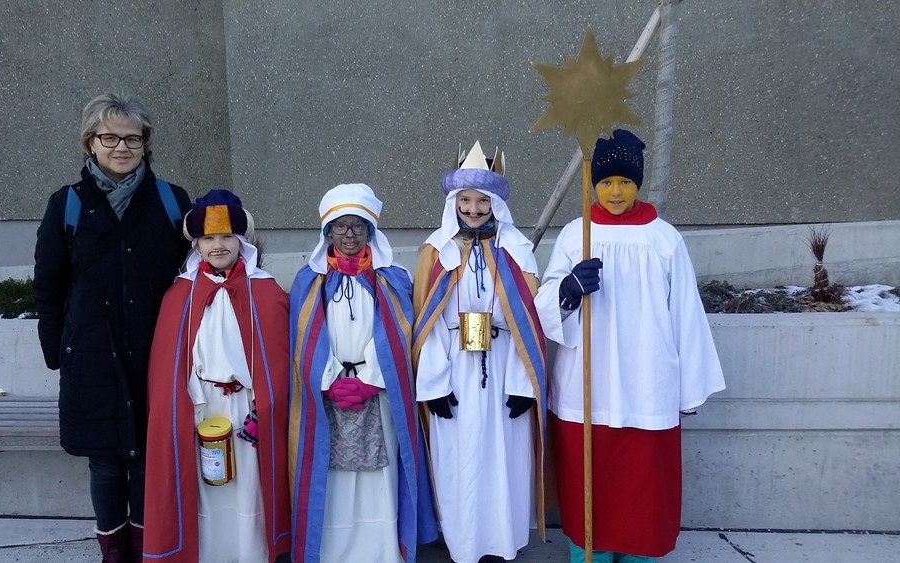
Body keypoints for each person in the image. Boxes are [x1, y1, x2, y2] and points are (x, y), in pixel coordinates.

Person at [535, 129, 727, 562]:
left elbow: (685, 312)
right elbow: (545, 302)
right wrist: (568, 289)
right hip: (586, 384)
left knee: (642, 489)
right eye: (606, 182)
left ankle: (638, 554)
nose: (616, 192)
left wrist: (688, 388)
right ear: (593, 184)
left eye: (625, 181)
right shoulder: (576, 235)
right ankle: (591, 554)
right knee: (589, 482)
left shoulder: (663, 238)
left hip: (647, 380)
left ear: (638, 182)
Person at [34, 93, 191, 562]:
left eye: (132, 139)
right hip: (92, 356)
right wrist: (58, 352)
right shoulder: (67, 204)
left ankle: (146, 549)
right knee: (105, 463)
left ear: (145, 144)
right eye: (110, 137)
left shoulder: (171, 201)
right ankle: (114, 552)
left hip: (155, 354)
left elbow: (194, 274)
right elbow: (48, 283)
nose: (122, 147)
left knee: (147, 458)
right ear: (91, 142)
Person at [412, 142, 547, 563]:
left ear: (496, 204)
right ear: (454, 202)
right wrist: (433, 383)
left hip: (505, 365)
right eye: (466, 201)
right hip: (454, 368)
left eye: (483, 201)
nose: (473, 209)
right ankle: (464, 544)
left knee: (504, 458)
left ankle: (502, 542)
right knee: (461, 459)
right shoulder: (436, 251)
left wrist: (524, 383)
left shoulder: (517, 250)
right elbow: (427, 320)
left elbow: (530, 320)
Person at [288, 183, 437, 563]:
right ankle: (334, 552)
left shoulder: (392, 278)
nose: (350, 235)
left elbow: (399, 334)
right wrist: (330, 380)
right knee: (332, 478)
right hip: (329, 395)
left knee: (379, 476)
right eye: (341, 226)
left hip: (378, 395)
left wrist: (370, 379)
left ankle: (381, 550)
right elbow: (303, 339)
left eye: (358, 226)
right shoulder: (310, 281)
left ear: (371, 230)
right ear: (328, 232)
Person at [142, 190, 292, 562]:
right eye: (208, 238)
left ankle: (252, 554)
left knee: (250, 488)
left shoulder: (266, 290)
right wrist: (189, 409)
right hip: (201, 406)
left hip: (248, 409)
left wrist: (264, 408)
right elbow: (170, 367)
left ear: (241, 241)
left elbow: (279, 362)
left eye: (227, 236)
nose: (218, 245)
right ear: (197, 244)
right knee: (208, 489)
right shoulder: (180, 294)